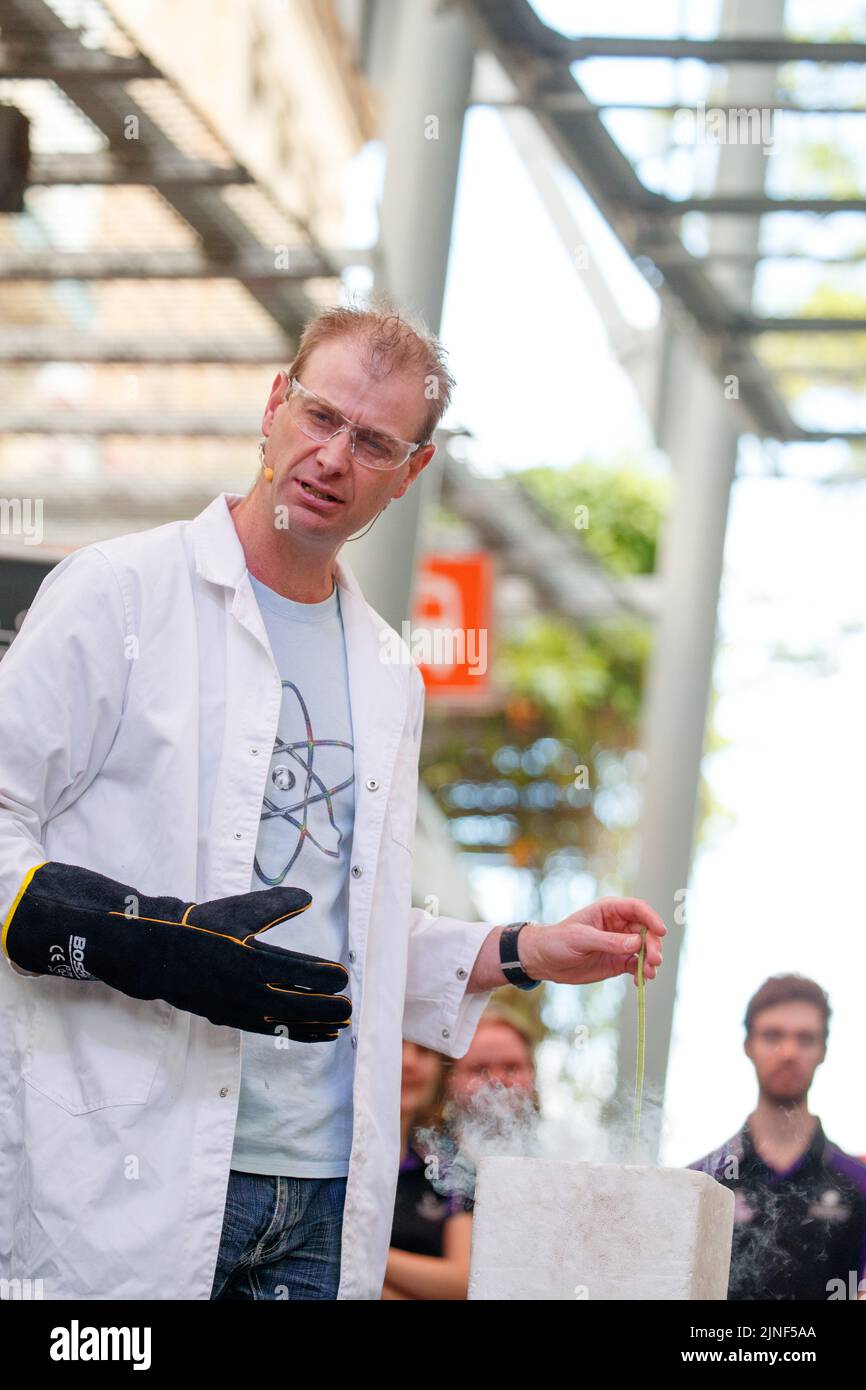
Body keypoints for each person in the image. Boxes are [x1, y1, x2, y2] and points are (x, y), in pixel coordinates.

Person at [0, 300, 666, 1301]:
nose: (331, 456)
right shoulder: (118, 593)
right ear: (274, 405)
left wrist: (522, 949)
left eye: (372, 442)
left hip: (319, 1193)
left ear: (410, 473)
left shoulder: (389, 672)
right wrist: (147, 938)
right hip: (133, 1158)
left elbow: (353, 934)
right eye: (319, 417)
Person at [689, 974, 866, 1301]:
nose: (788, 1052)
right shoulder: (700, 1182)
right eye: (773, 1035)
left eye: (805, 1038)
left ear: (823, 1050)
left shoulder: (858, 1184)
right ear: (748, 1046)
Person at [381, 1041, 473, 1299]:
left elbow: (462, 1281)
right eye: (394, 1045)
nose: (408, 1062)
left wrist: (356, 1255)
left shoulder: (449, 1167)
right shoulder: (328, 1162)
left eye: (424, 1050)